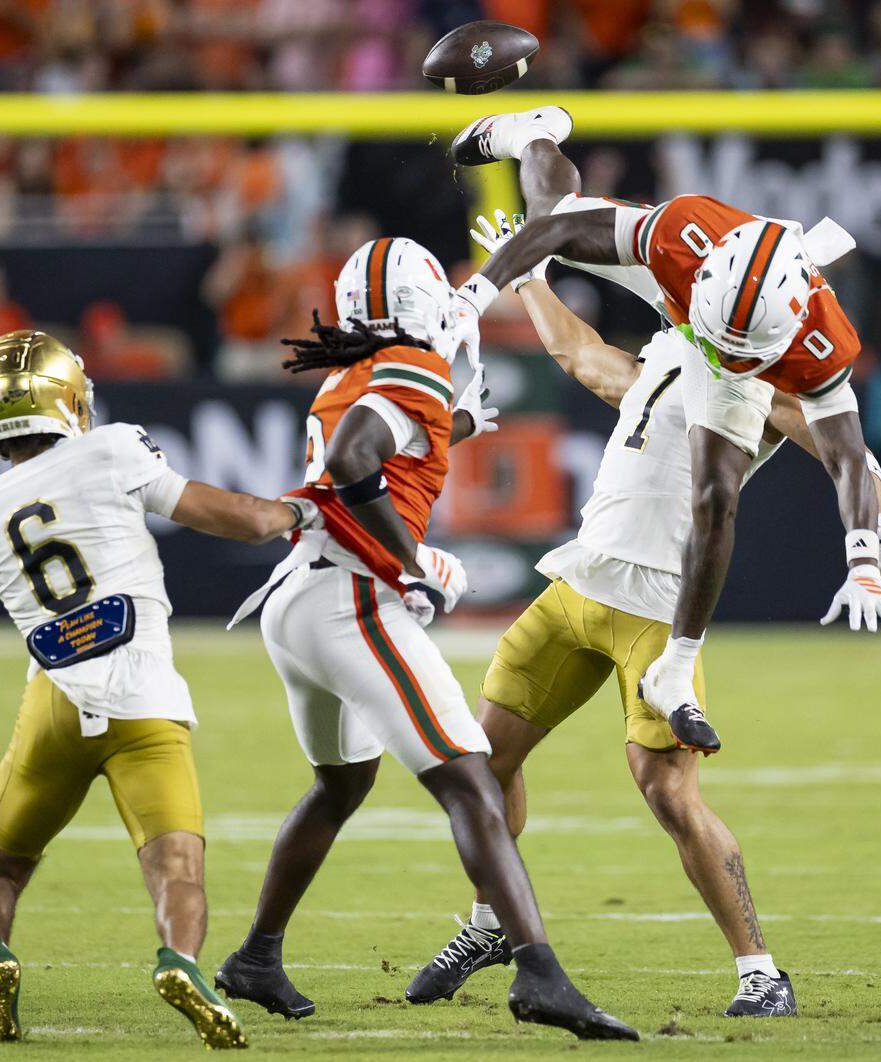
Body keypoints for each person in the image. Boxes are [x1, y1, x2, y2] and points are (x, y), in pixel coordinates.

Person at [407, 210, 881, 1019]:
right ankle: (490, 924)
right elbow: (583, 359)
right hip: (579, 582)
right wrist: (529, 276)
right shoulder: (684, 336)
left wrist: (875, 528)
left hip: (653, 605)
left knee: (668, 793)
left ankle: (761, 971)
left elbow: (845, 452)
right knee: (481, 765)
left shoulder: (756, 377)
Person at [214, 237, 638, 1041]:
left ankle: (256, 958)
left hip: (298, 601)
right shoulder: (409, 367)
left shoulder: (359, 370)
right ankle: (539, 973)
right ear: (414, 308)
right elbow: (351, 461)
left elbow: (389, 441)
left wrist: (460, 421)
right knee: (472, 781)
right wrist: (410, 563)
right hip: (351, 599)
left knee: (341, 788)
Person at [446, 107, 881, 752]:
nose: (722, 361)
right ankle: (530, 135)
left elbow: (849, 456)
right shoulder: (681, 235)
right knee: (559, 210)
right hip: (687, 288)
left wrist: (866, 544)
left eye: (743, 355)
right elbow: (552, 232)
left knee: (715, 495)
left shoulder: (819, 340)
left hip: (721, 321)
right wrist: (473, 296)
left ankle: (677, 668)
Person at [0, 329, 321, 1048]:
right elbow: (238, 519)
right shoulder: (110, 449)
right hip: (147, 701)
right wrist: (299, 511)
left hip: (52, 709)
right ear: (68, 398)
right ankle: (181, 963)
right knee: (177, 870)